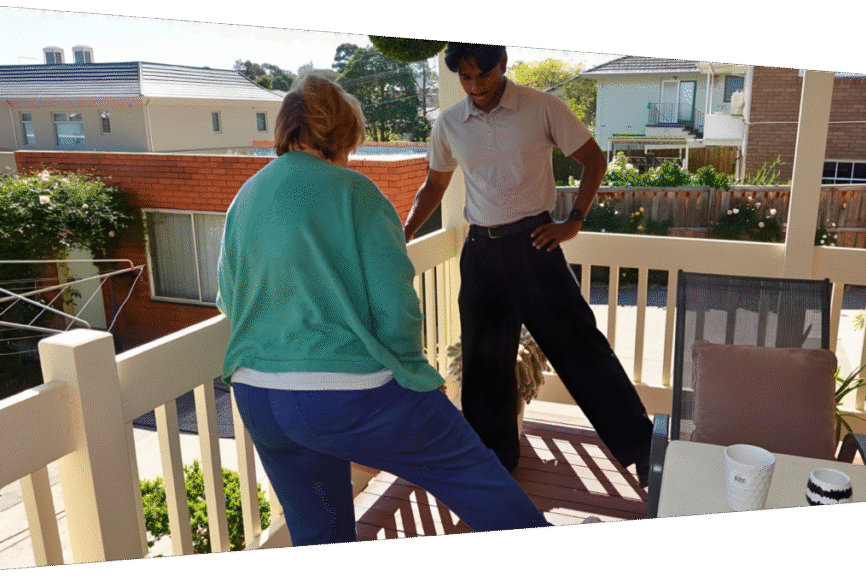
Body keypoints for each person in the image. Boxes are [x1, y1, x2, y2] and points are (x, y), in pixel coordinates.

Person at [216, 74, 553, 546]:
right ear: (343, 133)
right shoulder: (356, 192)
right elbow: (395, 304)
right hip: (344, 394)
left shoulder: (245, 196)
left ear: (286, 129)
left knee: (319, 536)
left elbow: (230, 300)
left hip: (257, 394)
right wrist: (414, 373)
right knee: (470, 468)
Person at [402, 43, 654, 486]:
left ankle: (645, 453)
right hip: (480, 252)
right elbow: (434, 185)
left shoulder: (542, 107)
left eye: (483, 74)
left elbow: (594, 159)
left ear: (503, 65)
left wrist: (573, 220)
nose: (475, 86)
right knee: (484, 365)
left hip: (533, 246)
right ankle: (495, 466)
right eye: (465, 77)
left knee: (581, 350)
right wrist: (402, 234)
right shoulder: (449, 124)